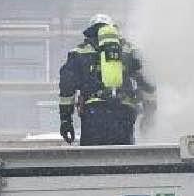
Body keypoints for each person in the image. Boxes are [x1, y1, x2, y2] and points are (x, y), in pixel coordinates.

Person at [57, 15, 156, 146]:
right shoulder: (130, 50)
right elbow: (148, 83)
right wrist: (149, 116)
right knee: (123, 156)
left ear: (91, 30)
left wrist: (65, 120)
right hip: (123, 113)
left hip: (94, 115)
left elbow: (67, 88)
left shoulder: (79, 52)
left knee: (93, 156)